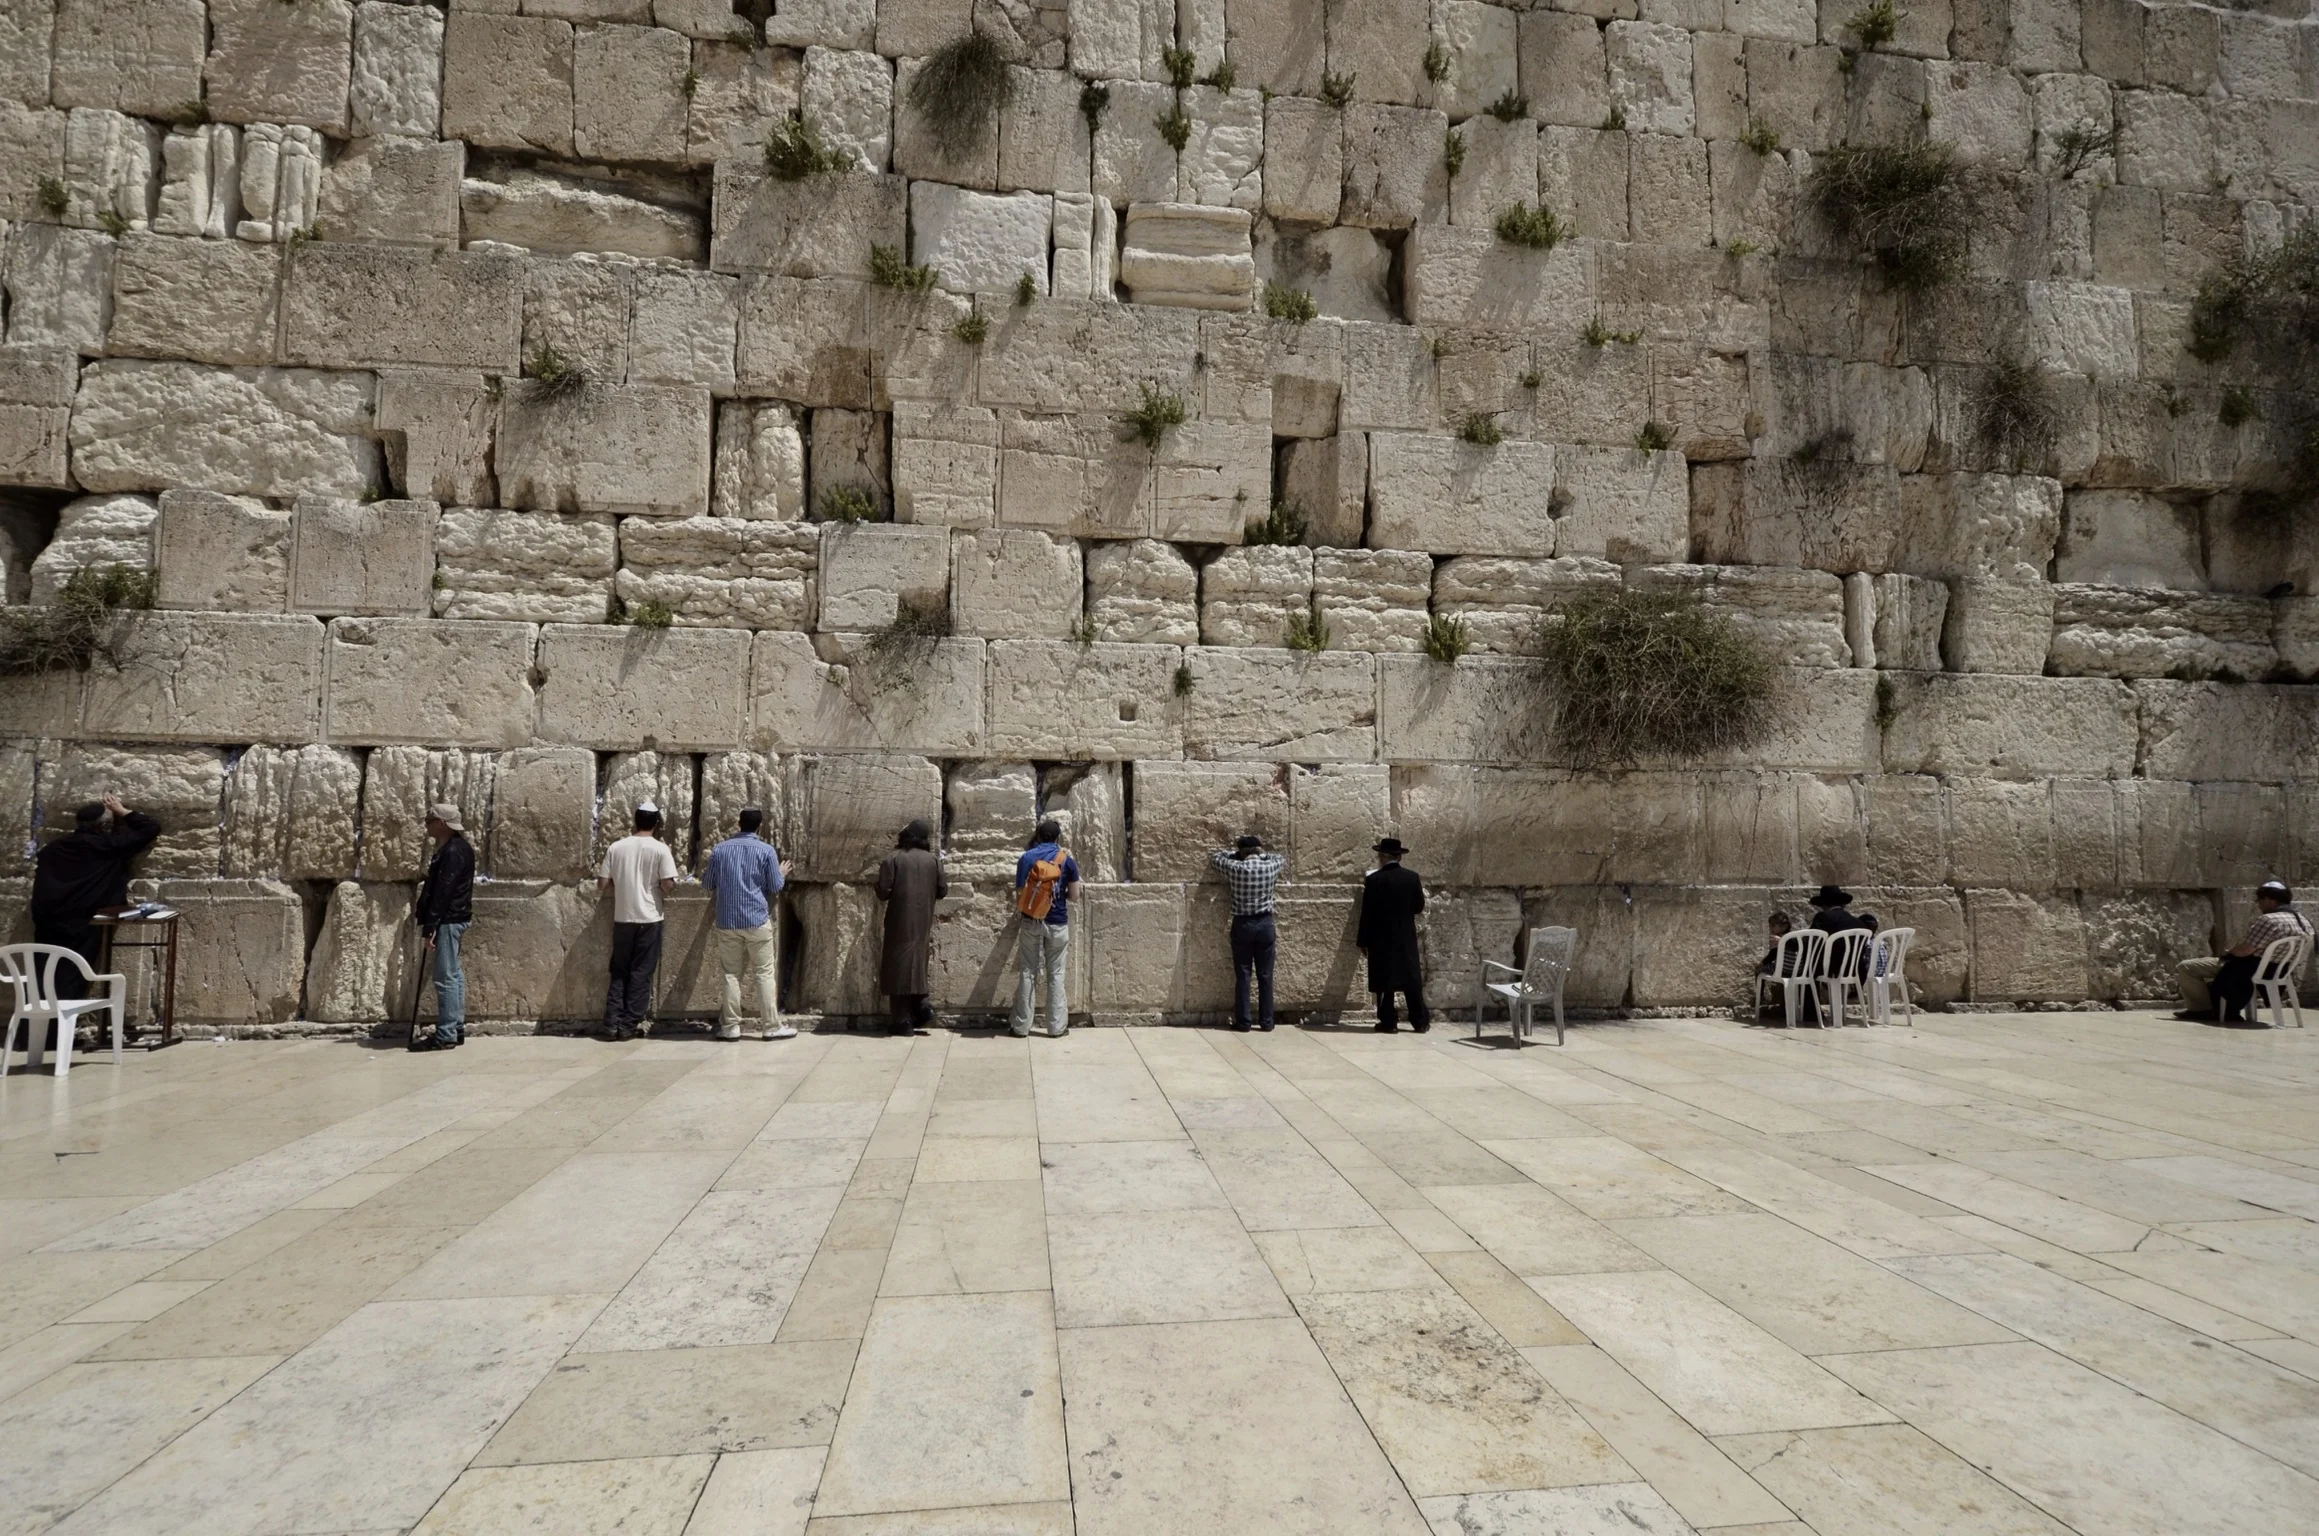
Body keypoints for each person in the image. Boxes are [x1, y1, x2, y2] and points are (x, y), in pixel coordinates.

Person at [31, 794, 161, 1005]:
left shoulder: (52, 849)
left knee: (43, 976)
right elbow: (150, 827)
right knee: (71, 977)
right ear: (105, 826)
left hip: (48, 921)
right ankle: (62, 1025)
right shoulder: (108, 846)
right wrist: (122, 811)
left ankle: (37, 1025)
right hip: (83, 922)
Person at [700, 806, 795, 1043]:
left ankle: (731, 1027)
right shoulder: (766, 851)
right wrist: (781, 872)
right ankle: (770, 1026)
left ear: (738, 823)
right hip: (756, 921)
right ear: (759, 826)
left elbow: (708, 884)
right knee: (764, 973)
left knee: (731, 974)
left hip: (727, 921)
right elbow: (775, 886)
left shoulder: (720, 850)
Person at [2177, 881, 2314, 1025]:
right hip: (2278, 970)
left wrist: (2228, 953)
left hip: (2252, 968)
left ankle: (2203, 1010)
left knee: (2186, 967)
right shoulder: (2302, 920)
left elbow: (2245, 950)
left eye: (2260, 900)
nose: (2259, 905)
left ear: (2269, 900)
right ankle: (2220, 1008)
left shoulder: (2269, 919)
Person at [597, 802, 678, 1042]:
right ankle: (628, 1025)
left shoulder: (616, 847)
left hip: (623, 917)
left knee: (619, 971)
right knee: (641, 973)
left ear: (635, 820)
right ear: (657, 823)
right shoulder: (660, 849)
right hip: (649, 918)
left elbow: (602, 884)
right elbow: (668, 885)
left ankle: (611, 1024)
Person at [409, 803, 474, 1052]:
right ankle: (455, 1028)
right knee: (453, 975)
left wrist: (431, 926)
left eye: (429, 821)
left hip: (448, 919)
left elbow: (442, 891)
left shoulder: (452, 852)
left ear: (442, 824)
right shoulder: (457, 848)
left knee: (445, 977)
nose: (426, 825)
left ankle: (446, 1034)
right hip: (454, 917)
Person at [875, 818, 946, 1036]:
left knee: (898, 968)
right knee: (917, 963)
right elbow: (942, 890)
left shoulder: (893, 858)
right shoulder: (934, 861)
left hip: (899, 921)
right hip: (923, 921)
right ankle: (922, 1007)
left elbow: (883, 892)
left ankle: (902, 1021)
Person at [1011, 818, 1081, 1039]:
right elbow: (1075, 895)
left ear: (1039, 836)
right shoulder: (1067, 861)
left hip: (1031, 920)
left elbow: (1020, 893)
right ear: (1058, 838)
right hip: (1058, 923)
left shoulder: (1026, 858)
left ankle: (1021, 1027)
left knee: (1027, 972)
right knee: (1056, 974)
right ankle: (1056, 1027)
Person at [1211, 833, 1285, 1032]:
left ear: (1241, 853)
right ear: (1259, 850)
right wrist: (1262, 855)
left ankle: (1243, 1022)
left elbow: (1216, 858)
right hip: (1265, 924)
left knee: (1243, 975)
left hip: (1242, 925)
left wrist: (1235, 855)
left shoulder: (1236, 868)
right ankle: (1267, 1022)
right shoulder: (1270, 866)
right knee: (1265, 975)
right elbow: (1280, 858)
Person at [1356, 837, 1428, 1033]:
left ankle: (1388, 1022)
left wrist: (1362, 941)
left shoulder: (1374, 880)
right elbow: (1418, 906)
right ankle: (1419, 1021)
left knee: (1384, 979)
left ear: (1383, 857)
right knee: (1411, 979)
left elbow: (1367, 913)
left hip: (1381, 938)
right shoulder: (1412, 878)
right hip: (1405, 937)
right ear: (1399, 857)